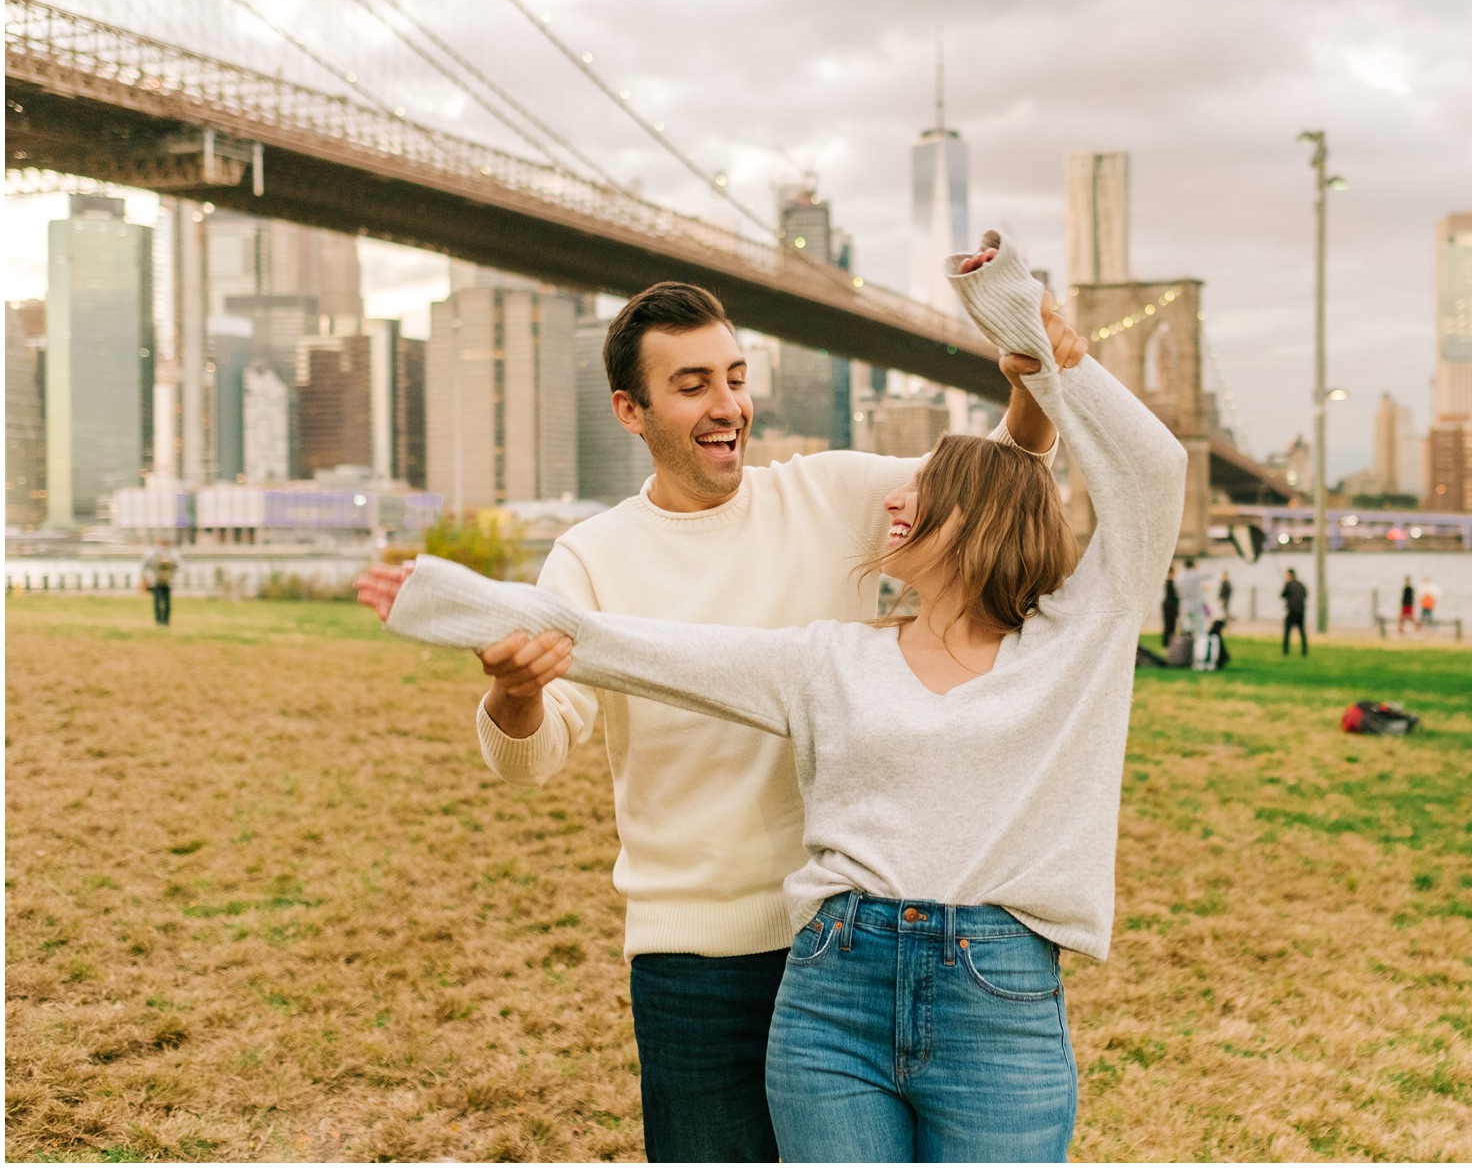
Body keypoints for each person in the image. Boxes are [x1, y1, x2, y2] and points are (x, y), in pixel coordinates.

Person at [376, 238, 1188, 1166]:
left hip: (862, 940)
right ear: (630, 410)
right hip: (705, 956)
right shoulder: (610, 565)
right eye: (692, 385)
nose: (727, 405)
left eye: (734, 376)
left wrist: (1034, 349)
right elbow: (570, 713)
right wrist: (502, 669)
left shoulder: (850, 499)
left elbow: (997, 483)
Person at [141, 542, 177, 626]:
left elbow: (145, 565)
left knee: (160, 603)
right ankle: (163, 621)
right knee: (164, 603)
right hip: (160, 582)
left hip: (162, 582)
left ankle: (161, 621)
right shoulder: (170, 554)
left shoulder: (154, 554)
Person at [1281, 568, 1309, 656]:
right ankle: (1304, 650)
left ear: (1290, 575)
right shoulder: (1301, 585)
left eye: (1286, 575)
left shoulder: (1288, 584)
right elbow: (1305, 594)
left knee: (1287, 631)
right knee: (1302, 631)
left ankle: (1286, 651)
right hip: (1301, 611)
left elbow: (1282, 595)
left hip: (1292, 611)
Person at [1160, 570, 1180, 644]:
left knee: (1169, 625)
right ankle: (1168, 642)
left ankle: (1168, 642)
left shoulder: (1168, 583)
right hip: (1171, 606)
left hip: (1168, 605)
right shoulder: (1171, 583)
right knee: (1170, 625)